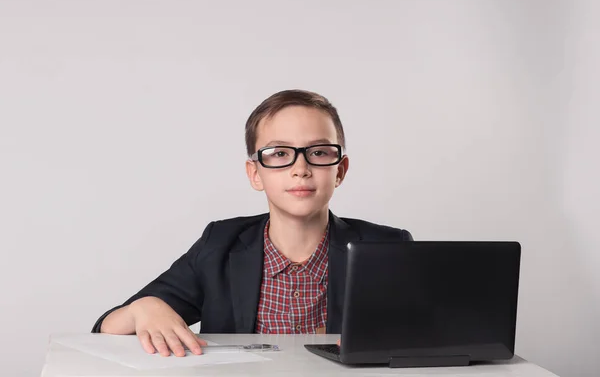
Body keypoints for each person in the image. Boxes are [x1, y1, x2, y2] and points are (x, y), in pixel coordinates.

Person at [91, 89, 413, 357]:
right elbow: (105, 329)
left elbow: (431, 343)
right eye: (278, 153)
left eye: (318, 152)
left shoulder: (386, 249)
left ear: (339, 170)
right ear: (255, 174)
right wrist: (141, 309)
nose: (300, 168)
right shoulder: (219, 245)